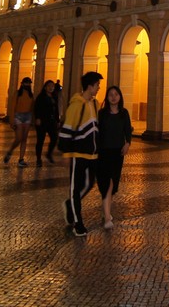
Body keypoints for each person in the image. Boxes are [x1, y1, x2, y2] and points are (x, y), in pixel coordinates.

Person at [59, 71, 103, 237]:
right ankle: (78, 223)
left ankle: (70, 204)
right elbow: (67, 128)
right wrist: (66, 153)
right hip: (78, 153)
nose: (99, 88)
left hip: (92, 154)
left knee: (90, 184)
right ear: (90, 86)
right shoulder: (77, 105)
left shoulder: (95, 104)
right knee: (75, 187)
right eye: (97, 85)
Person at [96, 84, 133, 229]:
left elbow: (127, 130)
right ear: (107, 97)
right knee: (107, 183)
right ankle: (107, 217)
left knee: (113, 184)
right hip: (103, 151)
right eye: (110, 94)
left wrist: (127, 143)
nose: (113, 97)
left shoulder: (124, 113)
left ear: (120, 97)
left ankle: (106, 210)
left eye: (116, 94)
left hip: (118, 152)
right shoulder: (102, 114)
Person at [4, 77, 35, 167]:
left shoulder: (31, 95)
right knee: (18, 138)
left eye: (29, 83)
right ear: (22, 84)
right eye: (26, 83)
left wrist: (33, 119)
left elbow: (32, 108)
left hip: (28, 116)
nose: (27, 85)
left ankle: (21, 159)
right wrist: (11, 120)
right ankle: (10, 151)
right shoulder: (17, 93)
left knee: (24, 139)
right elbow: (12, 106)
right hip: (18, 116)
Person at [33, 80, 59, 166]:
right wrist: (37, 118)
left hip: (51, 121)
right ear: (45, 87)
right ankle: (38, 159)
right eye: (49, 86)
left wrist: (57, 120)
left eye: (52, 86)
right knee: (40, 140)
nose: (51, 87)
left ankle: (49, 153)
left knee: (54, 138)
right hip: (42, 121)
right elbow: (37, 108)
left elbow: (56, 109)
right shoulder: (41, 97)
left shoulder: (54, 97)